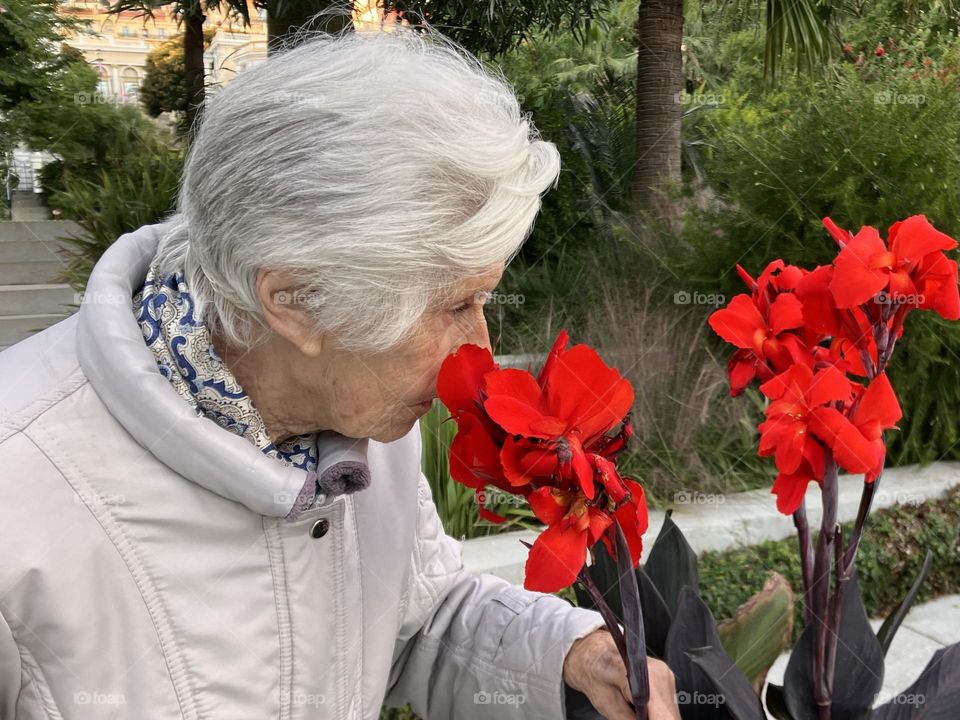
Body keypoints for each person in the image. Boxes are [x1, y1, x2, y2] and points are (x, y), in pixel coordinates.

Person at [0, 23, 680, 720]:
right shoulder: (19, 492)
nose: (476, 347)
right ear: (296, 303)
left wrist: (567, 654)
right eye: (456, 304)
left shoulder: (362, 428)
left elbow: (419, 623)